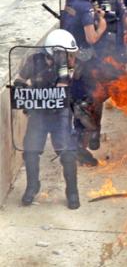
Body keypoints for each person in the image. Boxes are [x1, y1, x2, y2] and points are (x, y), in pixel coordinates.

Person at [15, 29, 80, 209]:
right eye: (65, 53)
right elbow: (20, 80)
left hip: (60, 115)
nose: (69, 56)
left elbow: (62, 87)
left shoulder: (68, 66)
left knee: (67, 153)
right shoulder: (34, 61)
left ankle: (72, 191)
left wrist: (63, 68)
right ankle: (32, 186)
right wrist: (23, 95)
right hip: (39, 114)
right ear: (54, 51)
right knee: (30, 151)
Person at [60, 0, 108, 166]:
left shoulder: (71, 1)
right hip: (82, 60)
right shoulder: (87, 8)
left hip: (65, 55)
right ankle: (79, 146)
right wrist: (102, 25)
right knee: (85, 102)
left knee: (71, 102)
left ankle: (74, 142)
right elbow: (91, 38)